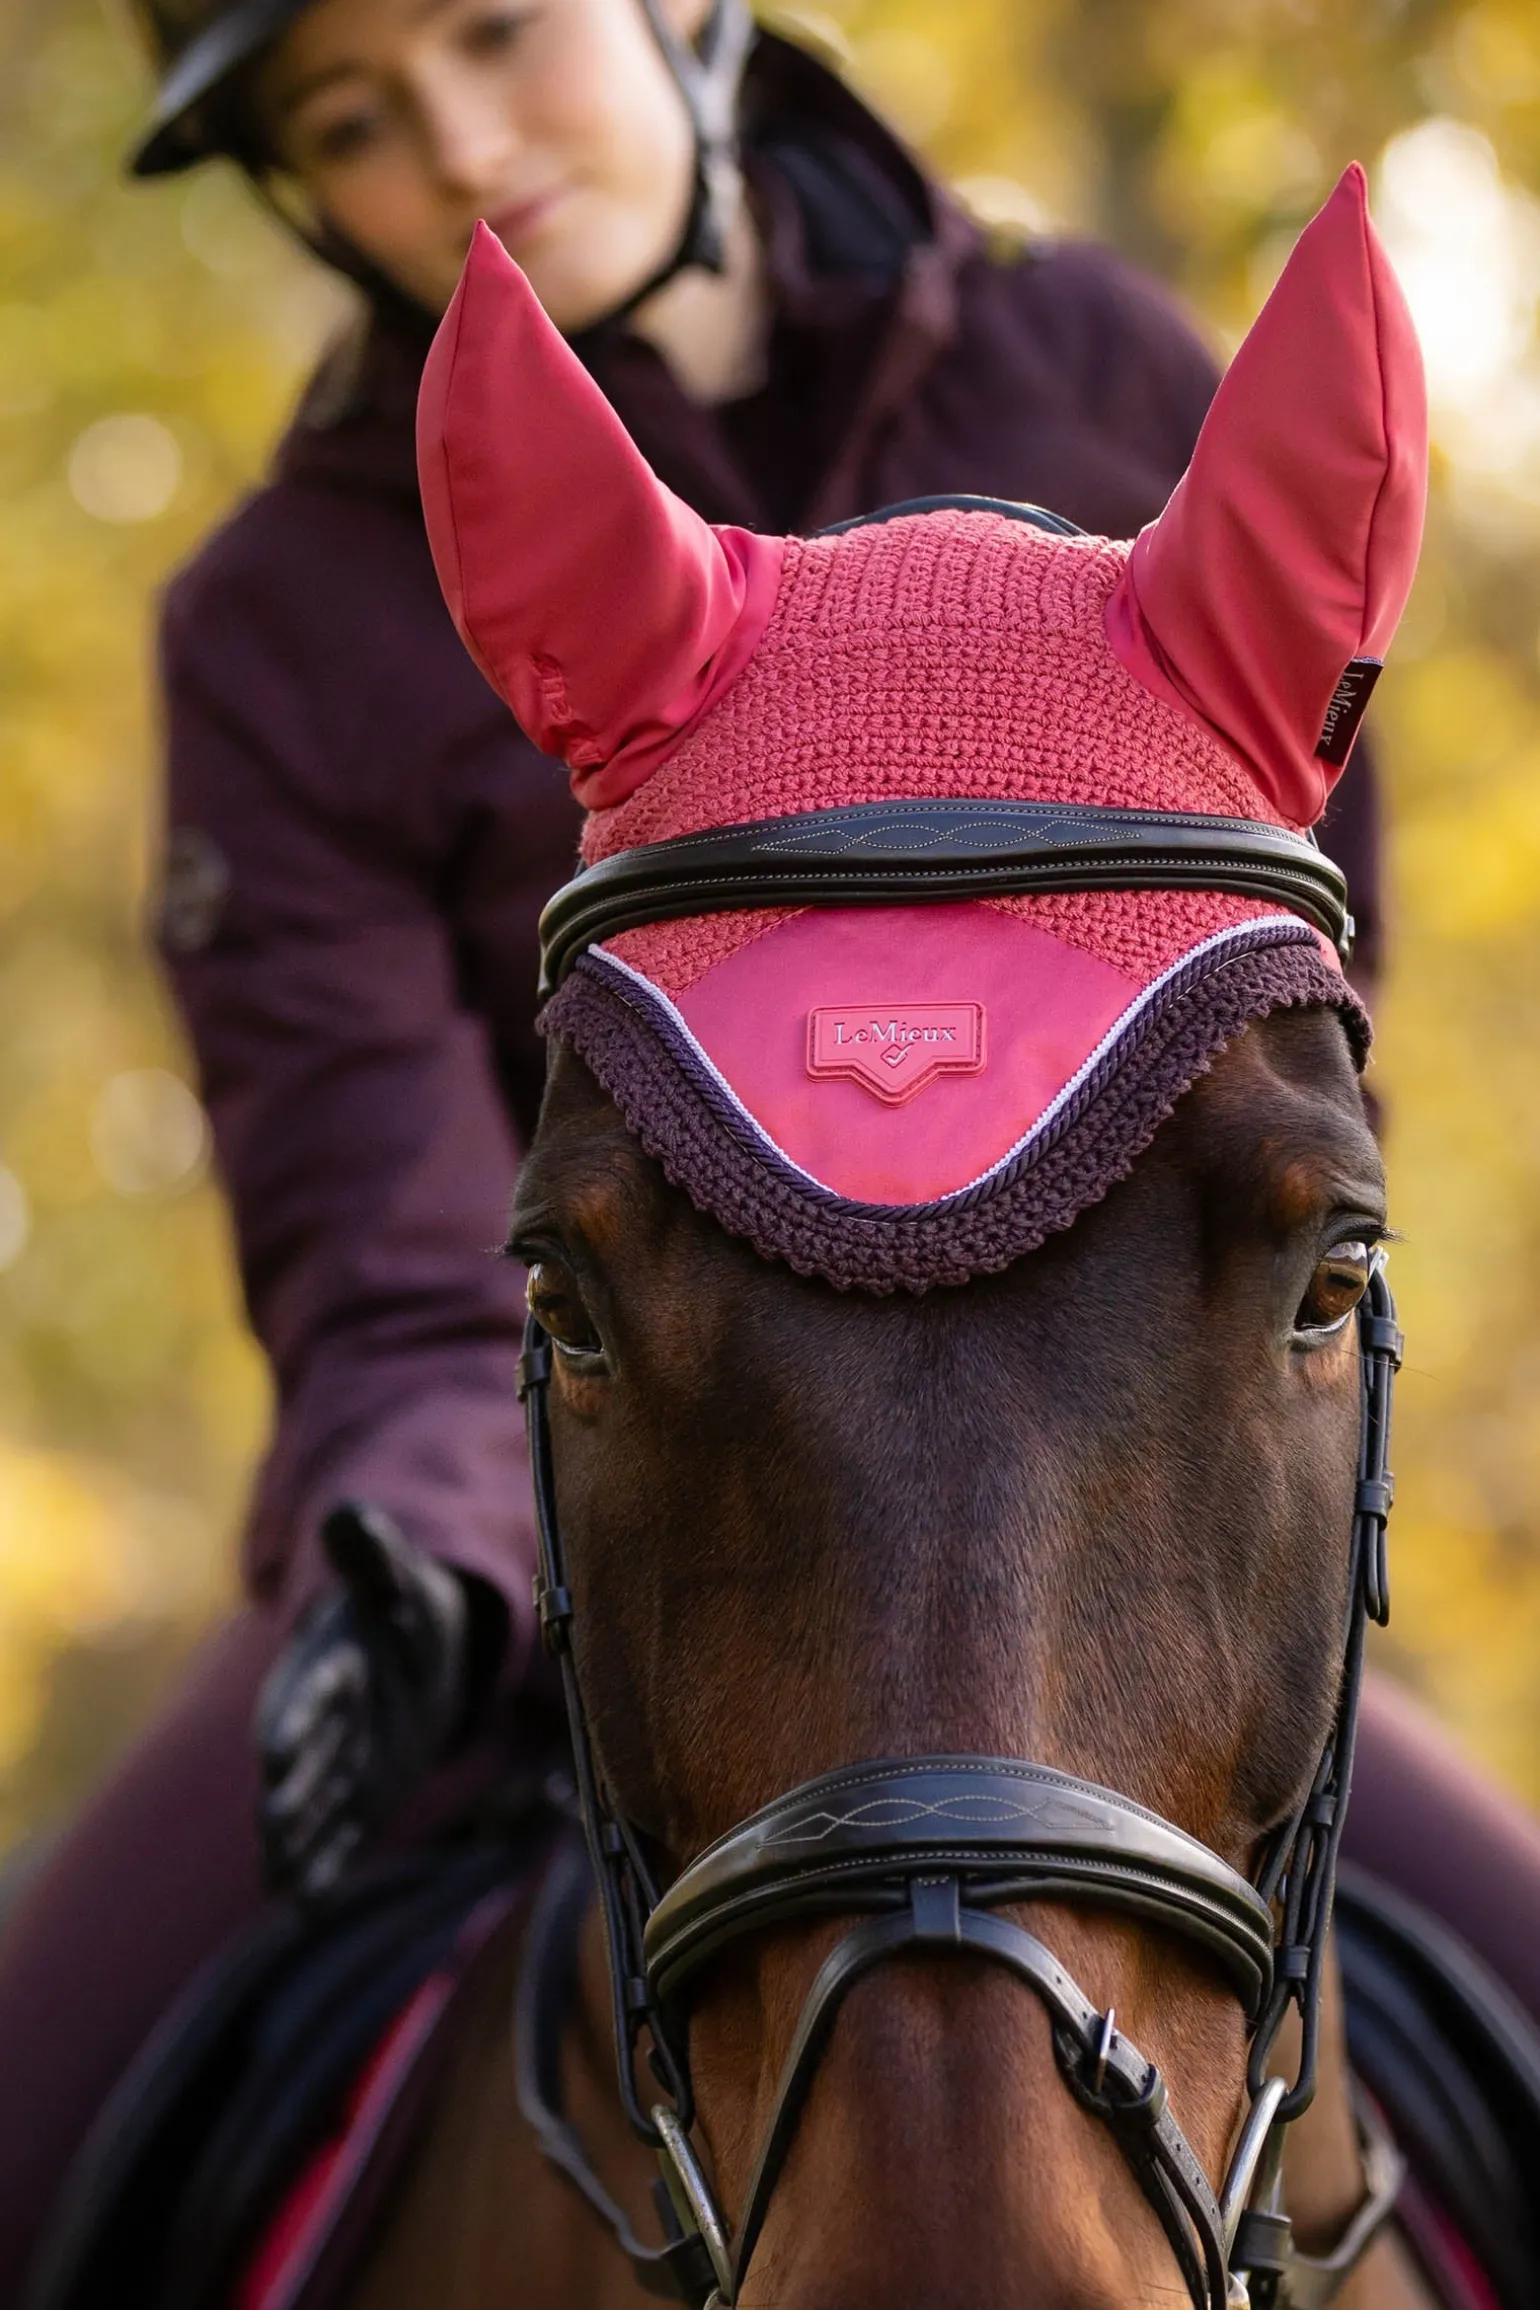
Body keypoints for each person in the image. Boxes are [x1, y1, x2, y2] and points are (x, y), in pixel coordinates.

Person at [1, 0, 1536, 2294]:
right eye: (350, 119)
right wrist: (409, 1551)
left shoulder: (1107, 376)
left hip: (1089, 1526)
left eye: (498, 32)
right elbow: (389, 1243)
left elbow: (1295, 1048)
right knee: (36, 2108)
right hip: (559, 1504)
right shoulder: (279, 630)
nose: (451, 142)